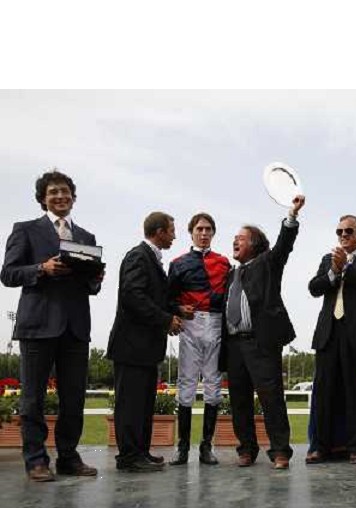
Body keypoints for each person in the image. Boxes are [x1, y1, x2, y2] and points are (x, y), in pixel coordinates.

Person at [0, 170, 102, 482]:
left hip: (75, 327)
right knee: (32, 398)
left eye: (65, 192)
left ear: (73, 197)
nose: (60, 197)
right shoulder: (25, 230)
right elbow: (8, 274)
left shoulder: (86, 238)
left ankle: (69, 458)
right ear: (43, 198)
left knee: (74, 398)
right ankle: (35, 460)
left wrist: (95, 280)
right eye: (53, 192)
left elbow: (89, 286)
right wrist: (41, 268)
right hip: (38, 325)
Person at [222, 195, 305, 470]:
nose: (235, 241)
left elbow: (284, 245)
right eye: (234, 238)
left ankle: (280, 452)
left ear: (255, 245)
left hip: (261, 343)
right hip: (234, 346)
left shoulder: (268, 264)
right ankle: (246, 450)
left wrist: (291, 216)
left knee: (271, 399)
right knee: (239, 401)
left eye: (241, 238)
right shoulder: (230, 275)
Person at [107, 212, 184, 473]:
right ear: (160, 231)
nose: (174, 235)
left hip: (146, 349)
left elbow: (152, 298)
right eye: (172, 230)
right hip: (131, 347)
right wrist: (166, 320)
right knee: (130, 405)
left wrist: (177, 310)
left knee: (143, 404)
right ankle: (129, 457)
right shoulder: (138, 257)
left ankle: (141, 452)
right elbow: (133, 296)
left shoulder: (151, 259)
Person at [307, 215, 356, 465]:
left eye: (348, 231)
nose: (343, 235)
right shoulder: (328, 260)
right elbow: (314, 287)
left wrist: (348, 269)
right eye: (339, 231)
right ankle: (321, 447)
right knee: (324, 391)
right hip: (329, 333)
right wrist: (333, 271)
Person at [167, 212, 230, 466]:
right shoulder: (178, 263)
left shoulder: (224, 263)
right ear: (191, 232)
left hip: (216, 324)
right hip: (190, 327)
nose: (204, 234)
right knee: (186, 385)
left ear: (213, 233)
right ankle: (182, 448)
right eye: (199, 229)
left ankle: (206, 447)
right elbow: (167, 298)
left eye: (208, 230)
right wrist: (178, 311)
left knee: (214, 386)